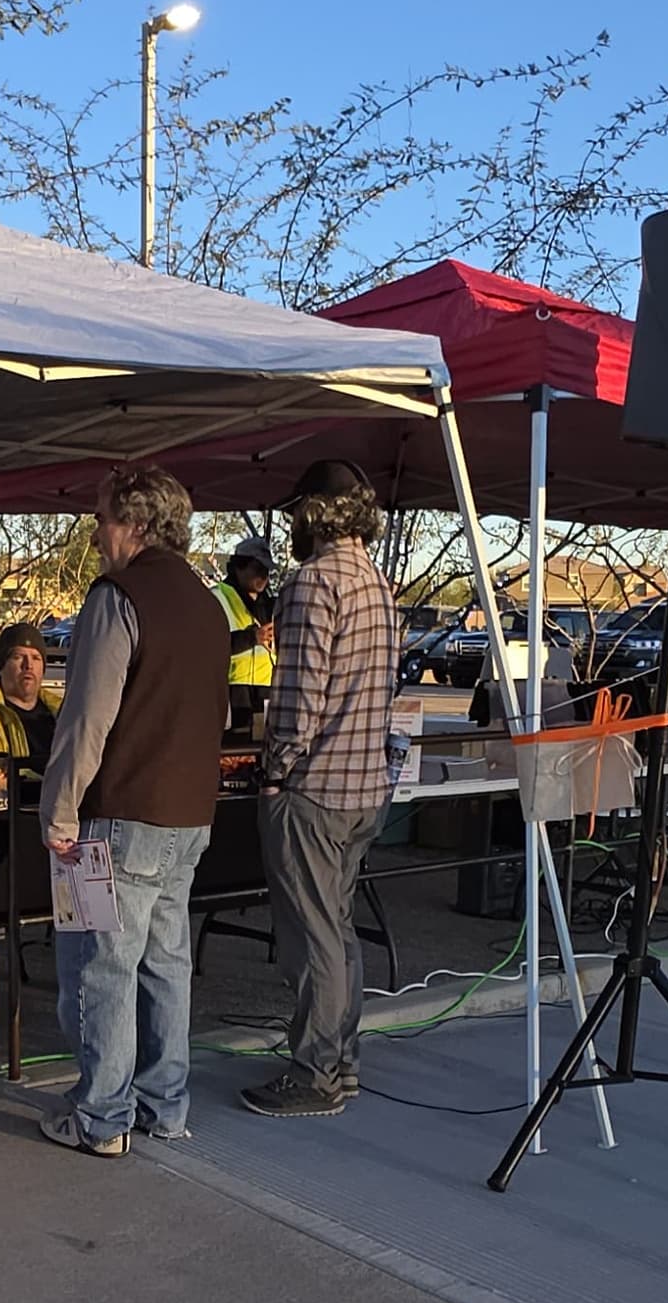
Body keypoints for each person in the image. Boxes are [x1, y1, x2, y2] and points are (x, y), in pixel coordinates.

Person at [40, 466, 232, 1154]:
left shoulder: (118, 597)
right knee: (165, 965)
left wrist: (59, 812)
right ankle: (164, 1102)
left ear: (136, 525)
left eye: (103, 519)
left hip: (122, 814)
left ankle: (100, 1117)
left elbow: (87, 718)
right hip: (189, 817)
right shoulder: (210, 606)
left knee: (103, 969)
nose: (95, 532)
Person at [245, 461, 402, 1118]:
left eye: (293, 515)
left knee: (312, 938)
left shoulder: (313, 585)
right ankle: (342, 1062)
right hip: (366, 787)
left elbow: (298, 703)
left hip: (314, 790)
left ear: (314, 513)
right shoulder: (379, 585)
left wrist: (275, 774)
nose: (288, 527)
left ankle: (313, 1072)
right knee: (338, 931)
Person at [0, 625, 56, 770]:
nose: (28, 665)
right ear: (1, 667)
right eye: (18, 657)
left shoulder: (63, 712)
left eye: (36, 658)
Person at [217, 540, 277, 704]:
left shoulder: (272, 606)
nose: (263, 576)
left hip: (265, 692)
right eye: (258, 569)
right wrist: (252, 637)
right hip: (231, 692)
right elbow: (207, 646)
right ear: (238, 566)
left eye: (266, 570)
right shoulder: (217, 598)